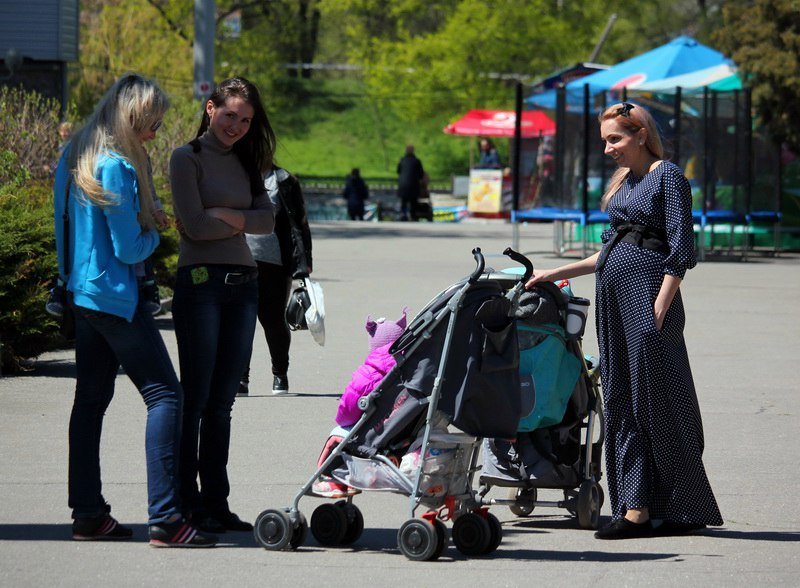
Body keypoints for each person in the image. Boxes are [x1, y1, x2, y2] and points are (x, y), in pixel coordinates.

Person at [525, 102, 723, 540]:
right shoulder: (624, 184)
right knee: (619, 398)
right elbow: (611, 252)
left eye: (615, 139)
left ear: (640, 135)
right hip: (614, 302)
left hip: (648, 304)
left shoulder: (665, 177)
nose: (609, 148)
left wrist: (658, 309)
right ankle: (636, 505)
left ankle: (676, 507)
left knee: (659, 401)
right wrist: (553, 274)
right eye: (605, 141)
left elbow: (681, 250)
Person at [54, 73, 216, 547]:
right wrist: (155, 231)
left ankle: (87, 512)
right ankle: (166, 516)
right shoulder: (116, 167)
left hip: (82, 294)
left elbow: (64, 232)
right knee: (166, 395)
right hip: (117, 299)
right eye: (150, 123)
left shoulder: (74, 158)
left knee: (90, 402)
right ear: (130, 119)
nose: (155, 131)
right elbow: (128, 248)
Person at [170, 77, 276, 534]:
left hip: (244, 285)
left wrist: (227, 217)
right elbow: (193, 227)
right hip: (201, 285)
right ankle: (184, 504)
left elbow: (267, 221)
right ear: (210, 108)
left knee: (222, 404)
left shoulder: (248, 161)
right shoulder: (185, 158)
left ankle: (216, 504)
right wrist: (240, 222)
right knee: (193, 400)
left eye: (246, 120)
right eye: (230, 114)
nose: (237, 126)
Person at [311, 308, 408, 498]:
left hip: (374, 432)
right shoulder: (410, 371)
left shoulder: (370, 372)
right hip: (399, 430)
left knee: (338, 434)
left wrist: (342, 419)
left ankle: (332, 478)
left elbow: (347, 409)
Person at [239, 166, 312, 396]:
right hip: (238, 257)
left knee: (273, 320)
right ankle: (241, 378)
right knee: (241, 321)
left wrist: (304, 261)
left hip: (276, 261)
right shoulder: (235, 172)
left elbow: (299, 221)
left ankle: (280, 373)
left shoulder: (283, 179)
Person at [396, 145, 424, 221]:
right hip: (413, 185)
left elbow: (398, 171)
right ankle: (413, 215)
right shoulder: (417, 161)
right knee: (413, 201)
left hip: (403, 185)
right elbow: (421, 174)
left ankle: (403, 214)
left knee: (404, 201)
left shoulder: (402, 160)